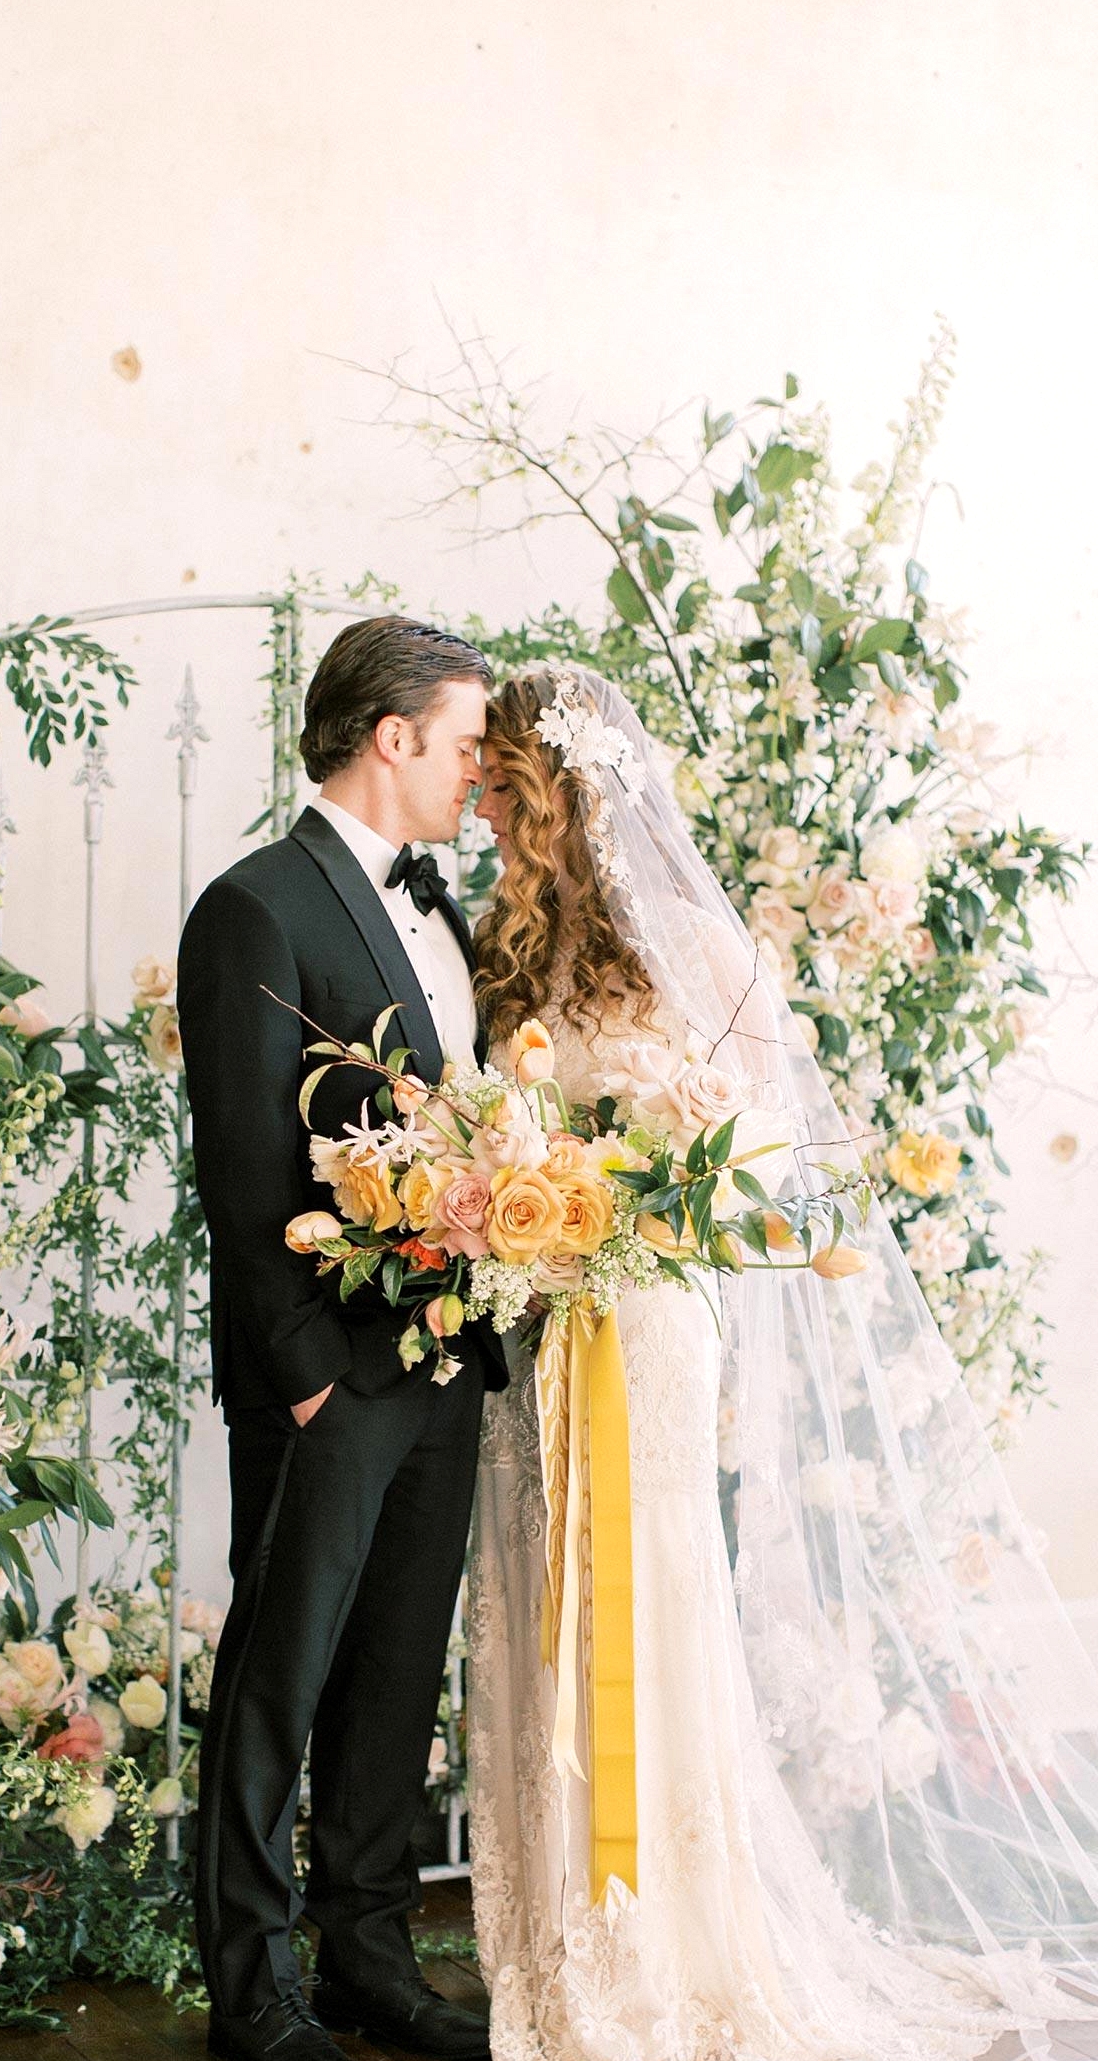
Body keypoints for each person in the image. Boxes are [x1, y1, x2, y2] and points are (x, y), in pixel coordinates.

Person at [464, 663, 1098, 2061]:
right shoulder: (501, 951)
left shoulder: (695, 940)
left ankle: (667, 1944)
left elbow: (796, 1182)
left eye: (508, 790)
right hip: (536, 1340)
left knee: (643, 1606)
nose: (490, 817)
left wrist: (653, 1205)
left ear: (565, 792)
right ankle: (561, 1947)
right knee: (537, 1597)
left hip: (649, 1337)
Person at [178, 616, 505, 2061]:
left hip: (446, 1361)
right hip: (328, 1377)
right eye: (466, 742)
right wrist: (307, 1378)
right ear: (393, 738)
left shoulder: (448, 907)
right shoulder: (255, 905)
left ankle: (370, 1955)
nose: (478, 772)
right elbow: (243, 1170)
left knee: (394, 1671)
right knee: (282, 1675)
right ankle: (254, 1993)